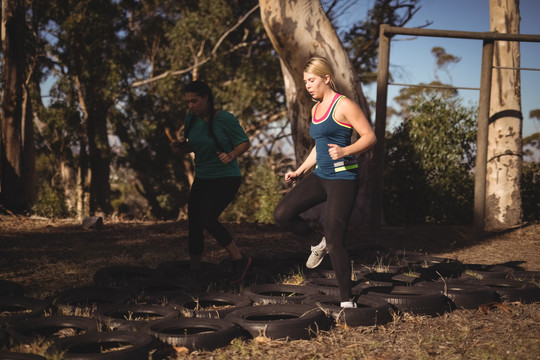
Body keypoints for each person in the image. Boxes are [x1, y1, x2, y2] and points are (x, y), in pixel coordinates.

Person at [273, 56, 376, 308]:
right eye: (305, 81)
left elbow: (370, 137)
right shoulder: (315, 109)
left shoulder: (344, 105)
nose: (308, 85)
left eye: (312, 80)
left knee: (335, 236)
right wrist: (299, 170)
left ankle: (346, 301)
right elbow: (318, 148)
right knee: (282, 214)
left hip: (343, 177)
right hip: (320, 175)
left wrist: (346, 150)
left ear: (326, 78)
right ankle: (315, 243)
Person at [172, 80, 252, 284]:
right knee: (194, 221)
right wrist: (181, 148)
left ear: (206, 99)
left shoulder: (223, 118)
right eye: (187, 102)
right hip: (203, 177)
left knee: (207, 216)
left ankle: (240, 260)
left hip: (226, 177)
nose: (190, 106)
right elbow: (194, 145)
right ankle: (195, 269)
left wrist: (232, 154)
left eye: (194, 101)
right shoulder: (191, 119)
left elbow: (244, 142)